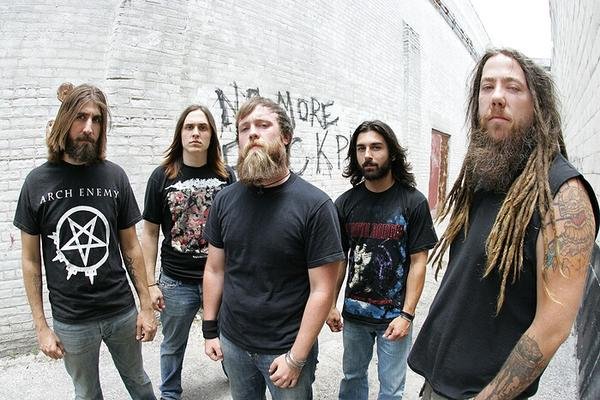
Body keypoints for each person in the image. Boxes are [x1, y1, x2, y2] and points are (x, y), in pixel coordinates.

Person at [408, 48, 600, 399]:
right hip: (436, 383)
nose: (497, 97)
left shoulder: (563, 194)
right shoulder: (486, 171)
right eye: (487, 86)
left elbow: (553, 327)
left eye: (513, 87)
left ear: (538, 105)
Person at [14, 84, 158, 399]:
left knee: (140, 383)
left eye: (97, 119)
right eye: (81, 117)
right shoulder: (36, 183)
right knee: (87, 393)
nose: (89, 128)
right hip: (72, 319)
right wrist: (41, 327)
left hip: (121, 310)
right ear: (65, 120)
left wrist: (146, 306)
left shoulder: (115, 177)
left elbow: (131, 246)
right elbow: (30, 260)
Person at [201, 96, 345, 400]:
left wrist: (297, 358)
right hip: (233, 343)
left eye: (263, 125)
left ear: (286, 137)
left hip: (286, 348)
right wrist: (210, 330)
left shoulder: (315, 206)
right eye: (244, 128)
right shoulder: (224, 200)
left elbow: (322, 290)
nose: (252, 133)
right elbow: (214, 269)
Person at [326, 120, 437, 399]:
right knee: (352, 378)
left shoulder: (413, 202)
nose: (368, 155)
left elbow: (418, 262)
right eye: (361, 148)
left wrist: (407, 315)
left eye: (376, 147)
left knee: (391, 389)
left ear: (391, 153)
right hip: (355, 315)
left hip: (394, 317)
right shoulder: (345, 203)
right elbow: (340, 259)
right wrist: (331, 304)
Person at [141, 104, 235, 400]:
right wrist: (150, 284)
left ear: (211, 135)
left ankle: (235, 377)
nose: (195, 133)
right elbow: (150, 233)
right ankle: (170, 393)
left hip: (220, 278)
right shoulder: (161, 176)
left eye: (202, 127)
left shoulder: (227, 176)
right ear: (180, 133)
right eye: (189, 127)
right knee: (172, 344)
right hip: (176, 281)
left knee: (229, 338)